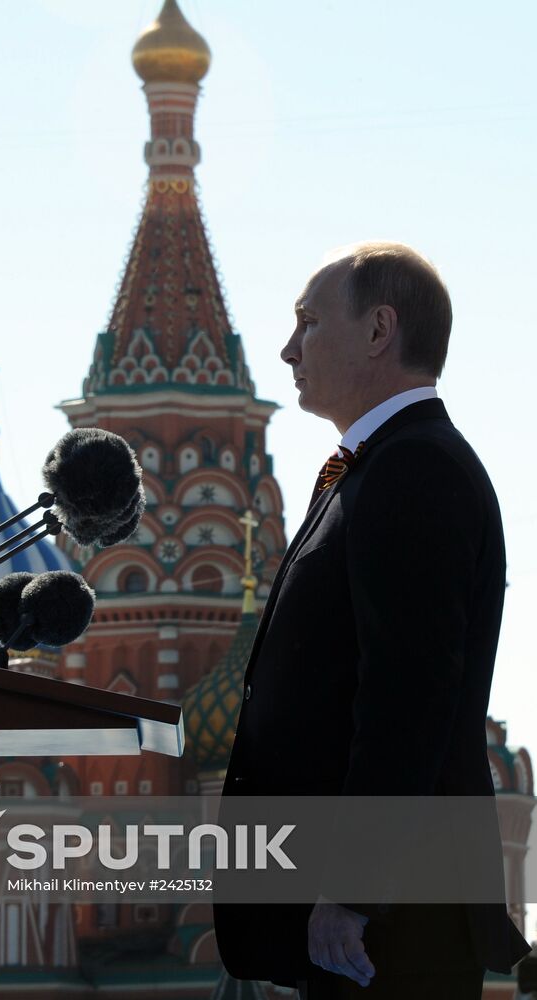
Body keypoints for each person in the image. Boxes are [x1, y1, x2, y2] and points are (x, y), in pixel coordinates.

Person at [213, 242, 530, 998]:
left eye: (308, 322)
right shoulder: (372, 469)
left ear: (378, 330)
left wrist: (352, 890)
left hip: (386, 924)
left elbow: (406, 696)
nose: (288, 348)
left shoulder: (411, 469)